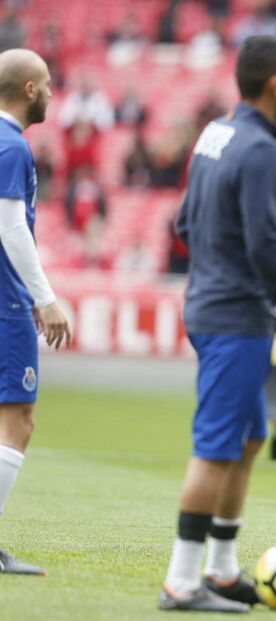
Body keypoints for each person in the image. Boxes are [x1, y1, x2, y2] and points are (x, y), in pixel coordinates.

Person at [158, 36, 276, 613]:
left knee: (251, 439)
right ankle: (182, 582)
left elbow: (184, 220)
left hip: (210, 304)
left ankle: (223, 569)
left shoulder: (214, 132)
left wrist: (215, 269)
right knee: (214, 449)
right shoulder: (260, 150)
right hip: (236, 318)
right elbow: (264, 245)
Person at [0, 48, 71, 575]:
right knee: (16, 420)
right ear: (29, 90)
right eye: (46, 84)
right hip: (5, 304)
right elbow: (10, 228)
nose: (51, 92)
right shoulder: (11, 147)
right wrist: (44, 299)